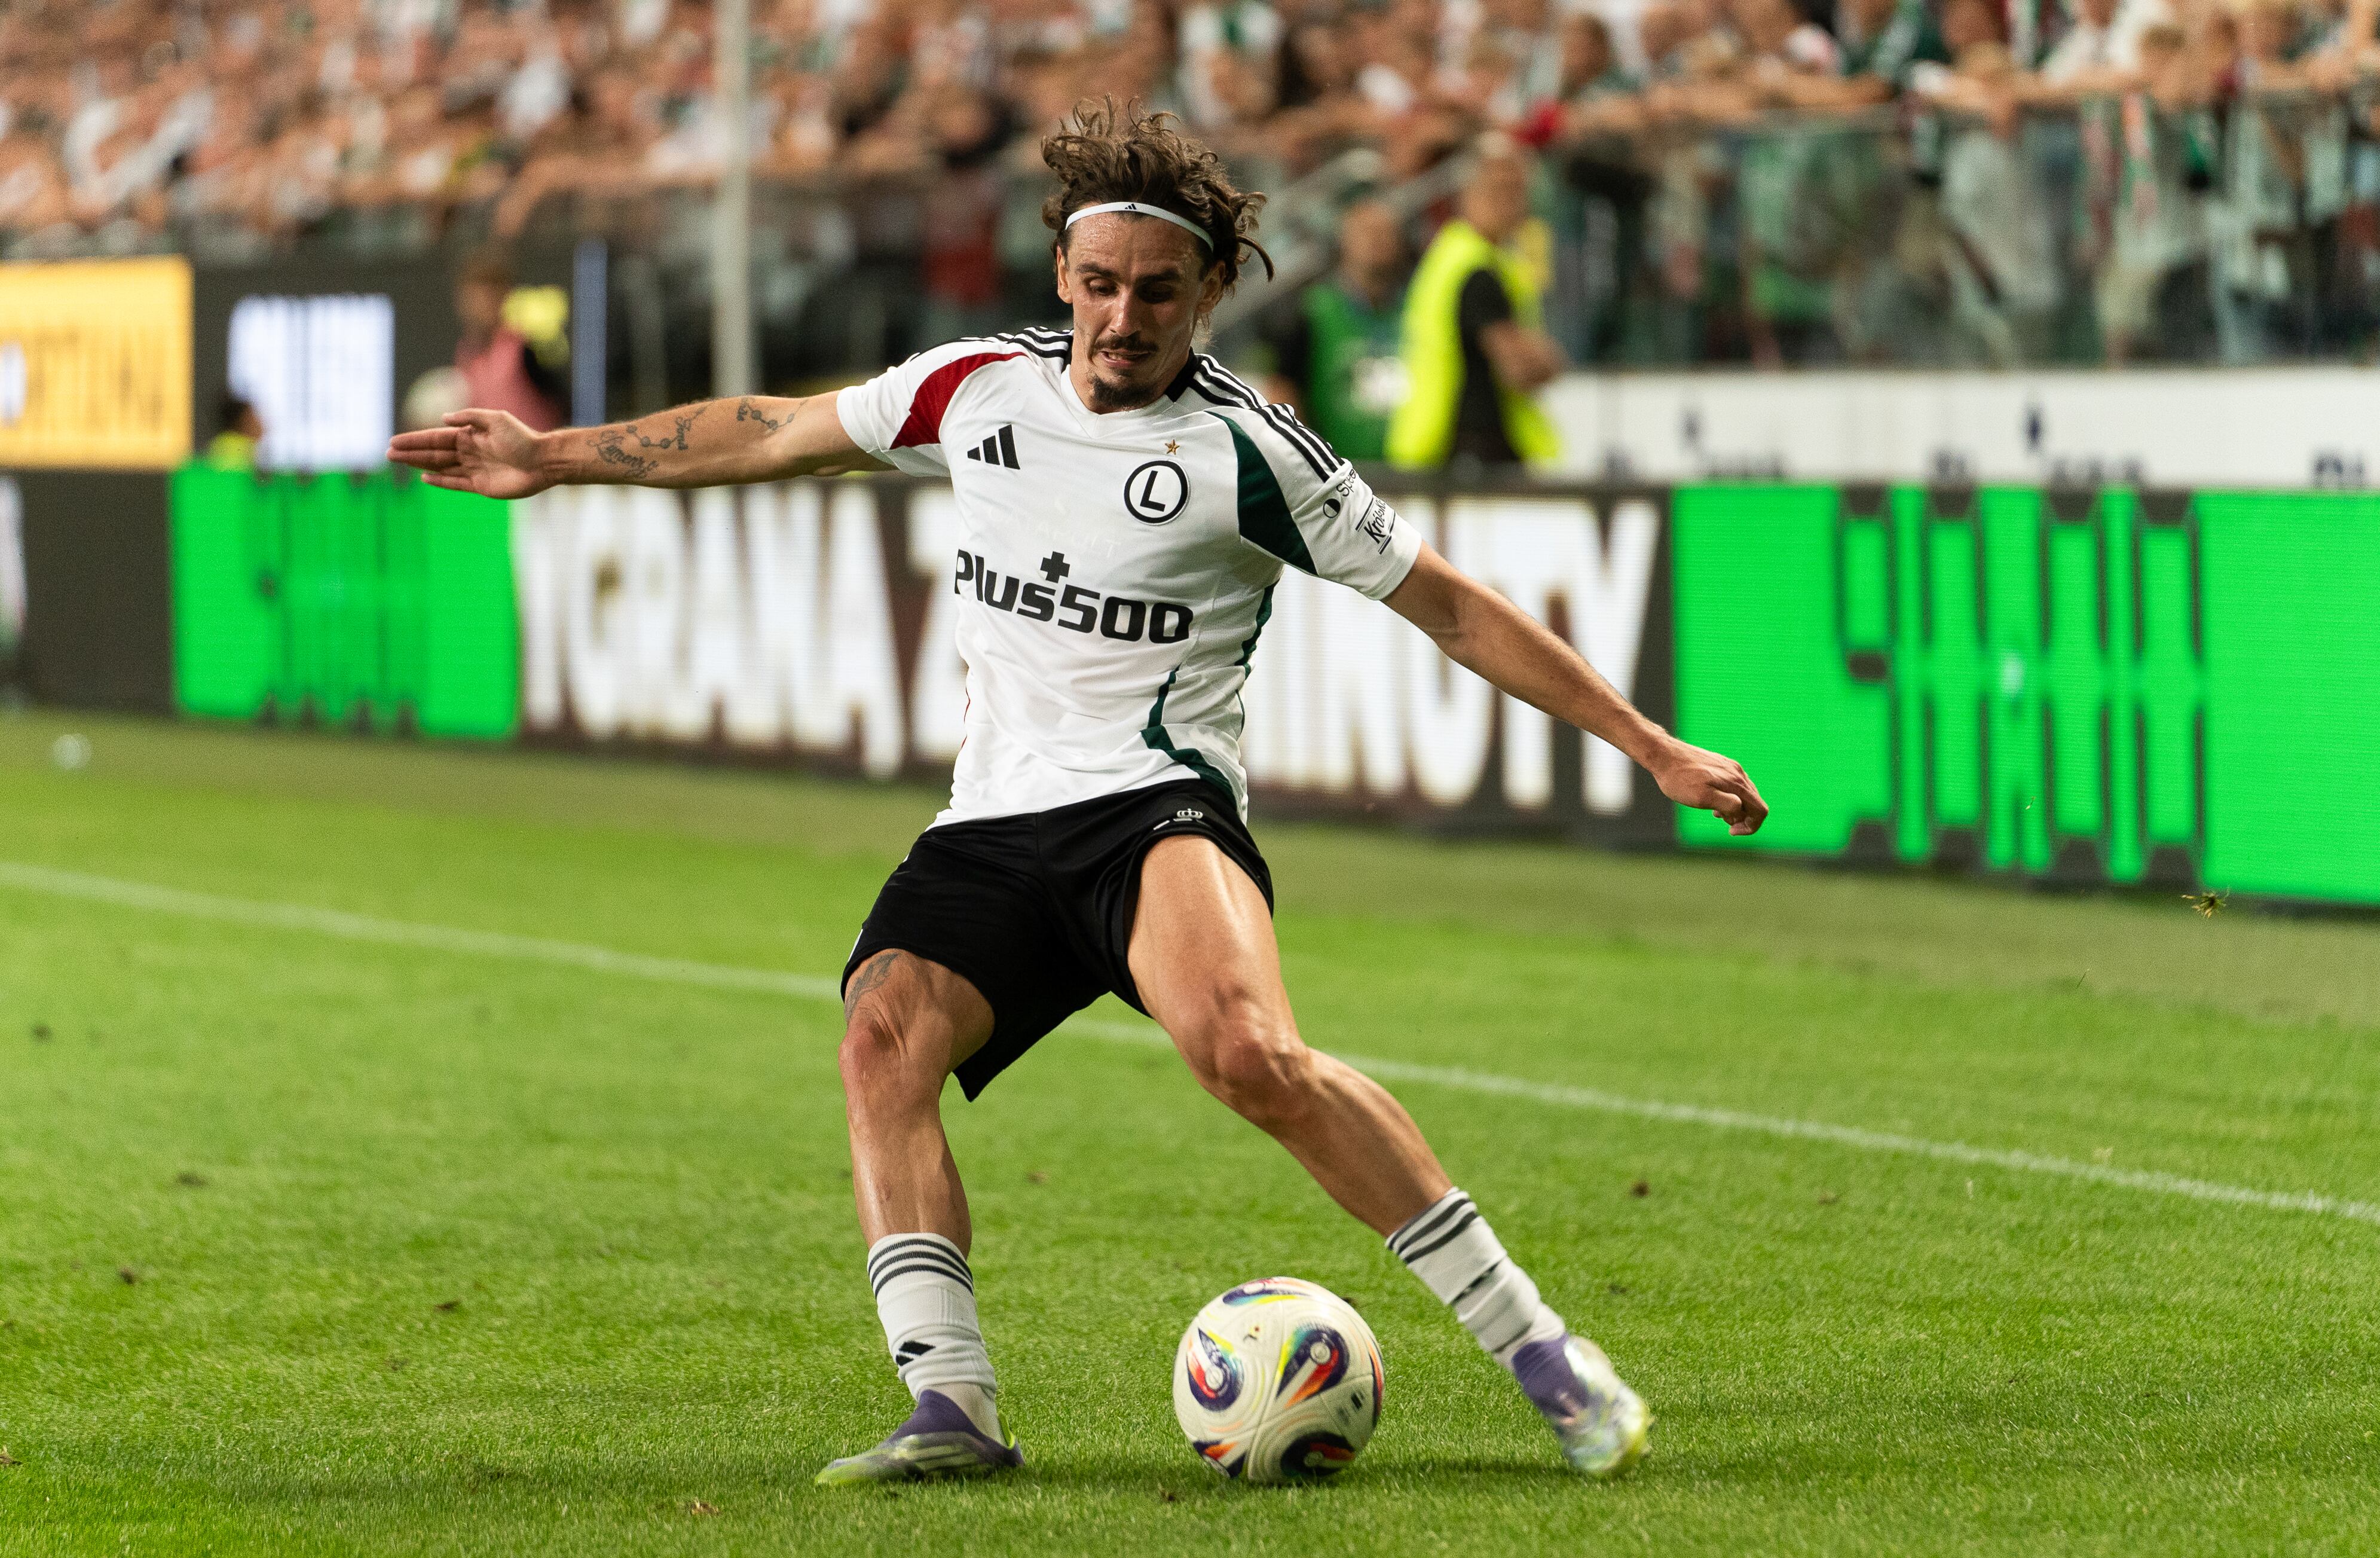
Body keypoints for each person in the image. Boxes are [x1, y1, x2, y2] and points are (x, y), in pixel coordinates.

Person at [389, 99, 1767, 1487]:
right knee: (879, 1037)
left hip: (1152, 811)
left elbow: (1453, 611)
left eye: (1155, 293)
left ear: (1210, 293)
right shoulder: (970, 389)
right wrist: (551, 457)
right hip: (993, 819)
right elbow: (768, 432)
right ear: (1059, 273)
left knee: (1245, 1053)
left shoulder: (1254, 453)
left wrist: (1649, 747)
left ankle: (1542, 1354)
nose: (1120, 321)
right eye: (1097, 286)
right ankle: (951, 1406)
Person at [1385, 135, 1567, 472]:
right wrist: (1552, 360)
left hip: (1437, 446)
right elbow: (1518, 367)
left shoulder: (1452, 255)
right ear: (1468, 192)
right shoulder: (1478, 270)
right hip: (1471, 454)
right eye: (1498, 189)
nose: (1510, 201)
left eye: (1516, 190)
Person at [1255, 198, 1410, 461]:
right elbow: (1282, 390)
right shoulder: (1310, 311)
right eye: (1366, 233)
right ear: (1344, 241)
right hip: (1340, 473)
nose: (1376, 242)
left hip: (1413, 472)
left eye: (1384, 232)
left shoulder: (1416, 306)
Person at [451, 252, 567, 433]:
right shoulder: (466, 353)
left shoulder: (527, 347)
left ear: (506, 295)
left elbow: (564, 406)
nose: (482, 304)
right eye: (474, 295)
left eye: (490, 295)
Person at [203, 393, 265, 470]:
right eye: (252, 418)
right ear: (240, 422)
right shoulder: (244, 446)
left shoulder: (219, 441)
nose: (259, 422)